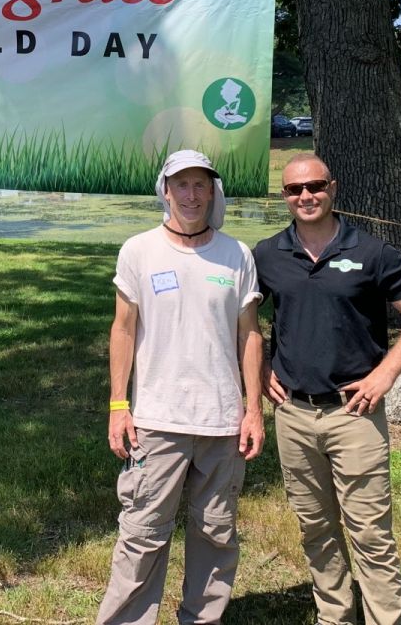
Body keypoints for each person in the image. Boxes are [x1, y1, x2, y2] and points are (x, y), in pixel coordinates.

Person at [254, 153, 401, 625]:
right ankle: (334, 617)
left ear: (333, 188)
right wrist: (259, 368)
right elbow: (243, 320)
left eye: (315, 186)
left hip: (353, 413)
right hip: (294, 414)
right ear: (284, 196)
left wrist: (386, 373)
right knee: (315, 529)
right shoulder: (267, 254)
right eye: (294, 190)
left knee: (370, 534)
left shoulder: (371, 252)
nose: (306, 196)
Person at [96, 149, 265, 625]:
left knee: (216, 533)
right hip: (155, 421)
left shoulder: (236, 255)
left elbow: (249, 334)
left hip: (221, 422)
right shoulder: (139, 250)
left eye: (201, 185)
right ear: (164, 190)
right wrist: (118, 404)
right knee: (143, 532)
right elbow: (123, 330)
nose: (191, 195)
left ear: (213, 191)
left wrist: (253, 410)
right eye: (181, 185)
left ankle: (202, 618)